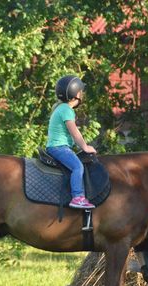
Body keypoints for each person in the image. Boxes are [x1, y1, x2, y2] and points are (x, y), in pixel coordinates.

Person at [46, 75, 97, 210]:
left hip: (57, 147)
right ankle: (77, 197)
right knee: (77, 167)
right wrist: (85, 147)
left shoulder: (61, 108)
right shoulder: (67, 110)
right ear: (77, 94)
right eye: (81, 91)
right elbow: (75, 133)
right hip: (59, 148)